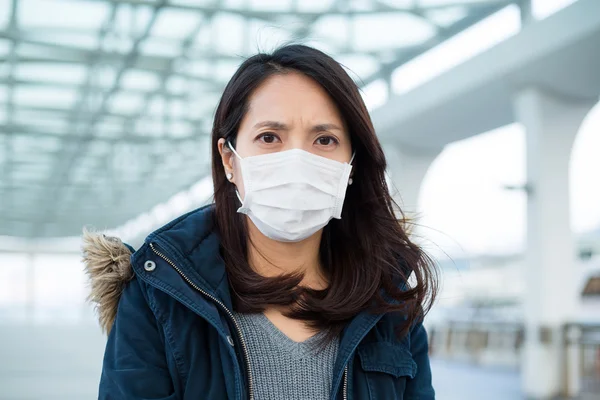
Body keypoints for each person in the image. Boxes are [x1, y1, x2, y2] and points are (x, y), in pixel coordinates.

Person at [83, 44, 437, 400]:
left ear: (351, 165)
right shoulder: (161, 296)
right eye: (269, 137)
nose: (297, 160)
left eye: (324, 140)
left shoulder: (391, 305)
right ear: (229, 160)